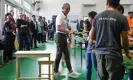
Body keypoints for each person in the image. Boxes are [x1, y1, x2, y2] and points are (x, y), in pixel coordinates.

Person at [89, 0, 132, 80]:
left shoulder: (97, 16)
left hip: (100, 55)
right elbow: (125, 40)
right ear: (118, 4)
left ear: (107, 2)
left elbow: (92, 36)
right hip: (114, 56)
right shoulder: (122, 18)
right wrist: (127, 53)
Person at [54, 3, 80, 78]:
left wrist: (72, 30)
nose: (68, 10)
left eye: (69, 9)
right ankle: (55, 71)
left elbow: (66, 26)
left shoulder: (65, 16)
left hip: (63, 36)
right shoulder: (60, 15)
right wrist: (67, 31)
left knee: (67, 54)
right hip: (59, 36)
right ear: (63, 8)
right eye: (67, 8)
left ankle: (71, 72)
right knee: (59, 54)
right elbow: (58, 28)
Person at [86, 11, 97, 80]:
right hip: (88, 50)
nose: (88, 19)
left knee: (96, 68)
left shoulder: (97, 26)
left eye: (89, 17)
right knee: (88, 67)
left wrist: (92, 40)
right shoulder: (92, 26)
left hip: (94, 50)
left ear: (93, 18)